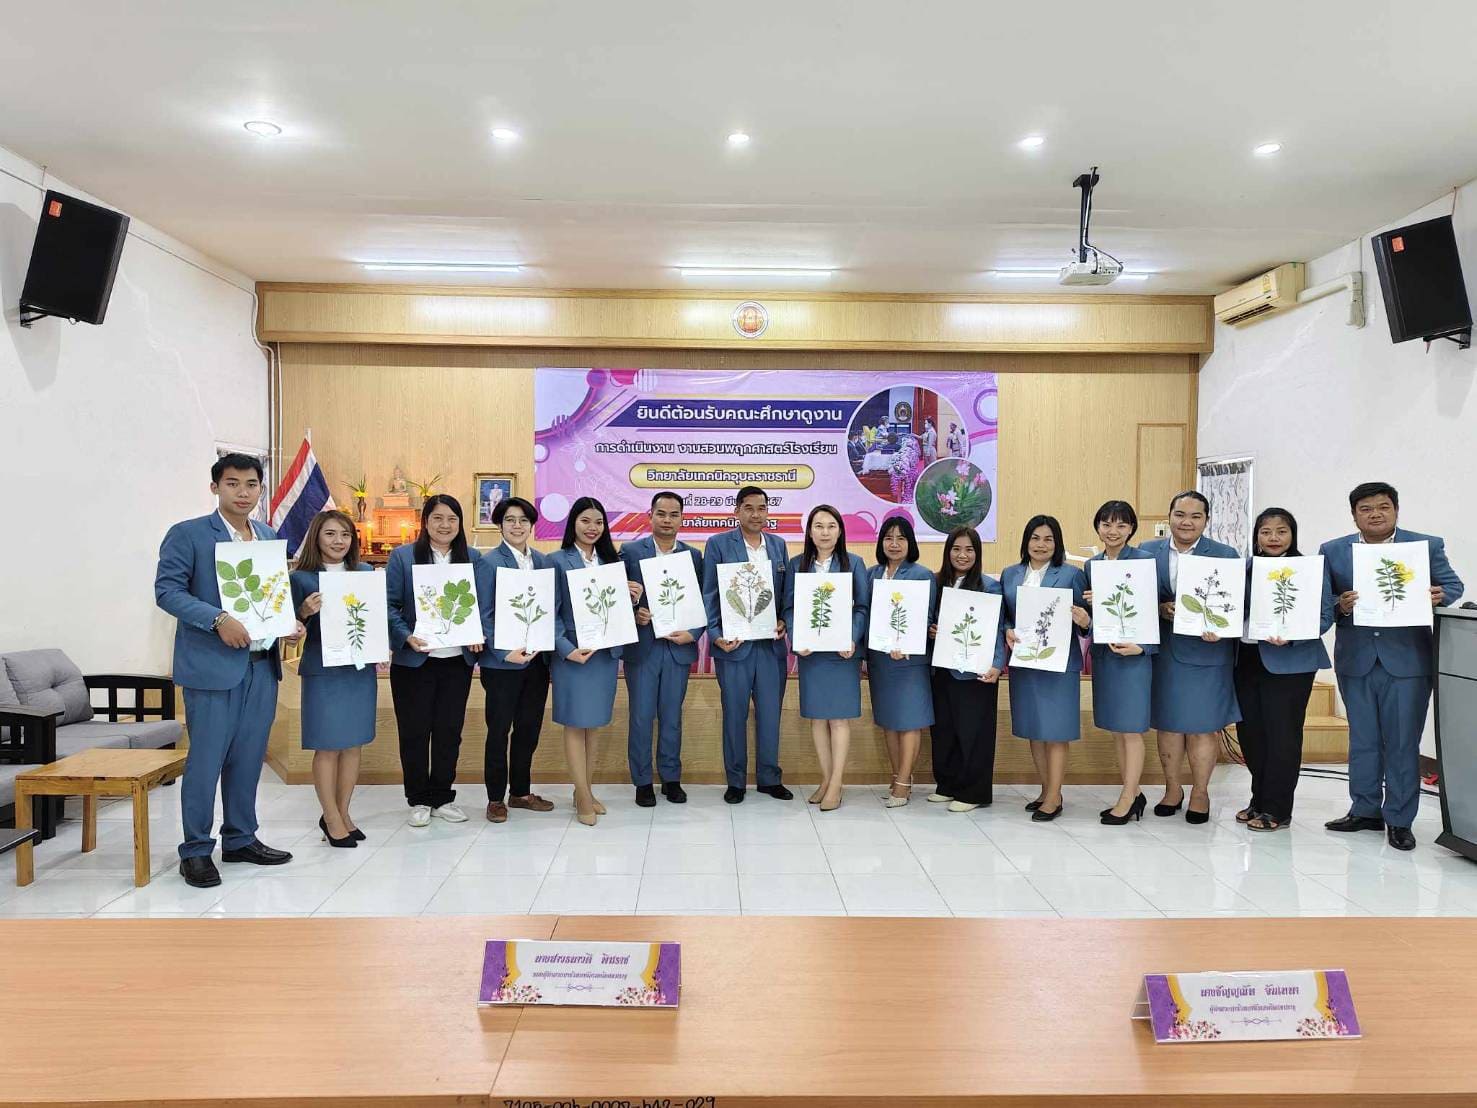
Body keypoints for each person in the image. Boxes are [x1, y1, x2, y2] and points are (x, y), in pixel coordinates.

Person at [154, 453, 305, 887]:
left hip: (262, 667)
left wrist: (288, 624)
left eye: (251, 484)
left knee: (248, 759)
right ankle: (196, 850)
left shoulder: (268, 535)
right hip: (212, 669)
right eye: (233, 483)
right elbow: (167, 592)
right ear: (215, 487)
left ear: (261, 489)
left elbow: (273, 596)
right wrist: (218, 619)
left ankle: (240, 838)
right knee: (205, 762)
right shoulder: (188, 534)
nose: (243, 492)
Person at [1320, 481, 1464, 851]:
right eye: (1366, 509)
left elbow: (1453, 586)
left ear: (1396, 510)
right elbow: (1322, 602)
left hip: (1408, 661)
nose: (1375, 515)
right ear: (1354, 515)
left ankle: (1400, 819)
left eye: (1383, 507)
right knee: (1363, 739)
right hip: (1357, 660)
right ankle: (1365, 810)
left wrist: (1441, 594)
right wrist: (1340, 604)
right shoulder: (1333, 550)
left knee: (1402, 741)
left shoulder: (1424, 546)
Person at [1140, 490, 1241, 825]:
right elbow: (1139, 596)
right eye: (1180, 515)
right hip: (1164, 652)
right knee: (1168, 724)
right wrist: (1158, 608)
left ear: (1206, 520)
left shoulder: (1225, 555)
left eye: (1196, 516)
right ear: (1169, 516)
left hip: (1207, 653)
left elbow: (1235, 604)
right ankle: (1172, 789)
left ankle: (1200, 792)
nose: (1187, 522)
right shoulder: (1146, 551)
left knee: (1202, 727)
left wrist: (1222, 626)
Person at [1233, 507, 1335, 833]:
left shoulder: (1309, 570)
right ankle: (1259, 799)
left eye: (1281, 531)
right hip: (1247, 659)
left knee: (1282, 736)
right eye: (1266, 532)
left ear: (1293, 535)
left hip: (1290, 662)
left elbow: (1325, 615)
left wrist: (1292, 635)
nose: (1273, 538)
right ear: (1256, 537)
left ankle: (1277, 809)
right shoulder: (1244, 569)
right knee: (1251, 735)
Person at [386, 494, 484, 828]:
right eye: (438, 518)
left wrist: (477, 632)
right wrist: (406, 636)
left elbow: (483, 604)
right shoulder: (402, 557)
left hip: (456, 661)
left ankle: (442, 796)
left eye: (452, 519)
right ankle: (418, 798)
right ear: (425, 522)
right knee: (414, 732)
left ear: (460, 523)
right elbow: (390, 605)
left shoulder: (473, 558)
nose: (445, 525)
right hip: (415, 661)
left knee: (449, 731)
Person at [551, 496, 642, 826]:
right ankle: (583, 796)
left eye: (599, 522)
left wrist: (633, 600)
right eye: (585, 521)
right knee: (576, 724)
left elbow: (617, 613)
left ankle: (584, 791)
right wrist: (566, 649)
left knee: (594, 725)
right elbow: (551, 613)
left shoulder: (611, 563)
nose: (592, 528)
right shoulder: (556, 561)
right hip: (574, 657)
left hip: (604, 657)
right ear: (573, 523)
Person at [290, 509, 377, 848]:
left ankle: (343, 812)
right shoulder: (301, 579)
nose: (338, 541)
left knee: (353, 744)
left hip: (358, 670)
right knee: (327, 745)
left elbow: (375, 618)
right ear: (316, 538)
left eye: (345, 534)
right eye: (330, 534)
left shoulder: (365, 573)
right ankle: (330, 816)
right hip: (323, 670)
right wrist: (303, 613)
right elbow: (287, 633)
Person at [701, 485, 793, 804]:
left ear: (768, 511)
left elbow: (786, 595)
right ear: (737, 511)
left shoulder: (778, 545)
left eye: (762, 508)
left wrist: (784, 621)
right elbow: (710, 594)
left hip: (769, 648)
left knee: (770, 715)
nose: (756, 514)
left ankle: (769, 778)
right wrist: (716, 635)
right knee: (734, 715)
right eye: (749, 508)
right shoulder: (718, 544)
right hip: (734, 647)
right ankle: (736, 781)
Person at [473, 496, 556, 824]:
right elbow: (483, 614)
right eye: (510, 520)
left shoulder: (543, 562)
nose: (517, 525)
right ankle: (495, 798)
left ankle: (520, 792)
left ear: (532, 525)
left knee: (528, 729)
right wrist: (502, 650)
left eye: (523, 520)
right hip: (502, 664)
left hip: (536, 662)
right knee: (499, 731)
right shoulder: (489, 562)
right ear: (500, 525)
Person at [1001, 515, 1090, 822]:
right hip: (1025, 663)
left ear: (1057, 543)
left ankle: (1054, 796)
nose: (1041, 545)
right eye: (1035, 538)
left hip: (1058, 665)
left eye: (1048, 539)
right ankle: (1045, 789)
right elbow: (1005, 615)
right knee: (1034, 729)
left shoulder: (1071, 574)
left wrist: (1085, 621)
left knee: (1056, 730)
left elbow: (1086, 617)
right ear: (1026, 541)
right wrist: (1007, 629)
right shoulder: (1010, 574)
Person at [620, 491, 704, 806]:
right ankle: (642, 781)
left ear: (682, 518)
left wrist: (693, 633)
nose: (667, 520)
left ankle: (671, 778)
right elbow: (615, 598)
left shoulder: (694, 556)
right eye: (661, 514)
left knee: (672, 716)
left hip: (677, 648)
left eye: (674, 514)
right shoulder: (630, 552)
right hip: (643, 648)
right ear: (650, 516)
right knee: (641, 717)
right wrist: (634, 612)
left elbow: (705, 601)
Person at [783, 505, 868, 811]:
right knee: (817, 718)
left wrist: (852, 638)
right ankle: (826, 778)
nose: (825, 532)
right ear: (809, 532)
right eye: (818, 526)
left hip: (842, 654)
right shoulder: (797, 565)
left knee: (839, 719)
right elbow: (789, 608)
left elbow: (862, 607)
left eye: (831, 526)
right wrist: (798, 638)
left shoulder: (853, 563)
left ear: (840, 531)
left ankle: (836, 784)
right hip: (812, 655)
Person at [1083, 500, 1155, 825]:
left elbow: (1154, 609)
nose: (1113, 531)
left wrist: (1142, 648)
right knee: (1116, 728)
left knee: (1131, 729)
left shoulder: (1144, 561)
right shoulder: (1092, 566)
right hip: (1106, 656)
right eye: (1107, 524)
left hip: (1134, 657)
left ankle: (1127, 798)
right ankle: (1133, 791)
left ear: (1131, 529)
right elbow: (1097, 615)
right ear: (1098, 527)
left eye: (1121, 525)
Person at [928, 527, 1006, 811]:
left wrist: (997, 664)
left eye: (969, 550)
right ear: (948, 552)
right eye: (956, 549)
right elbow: (928, 620)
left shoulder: (989, 586)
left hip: (976, 670)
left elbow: (998, 628)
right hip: (942, 669)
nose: (962, 555)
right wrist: (932, 630)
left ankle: (974, 792)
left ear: (977, 553)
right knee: (944, 730)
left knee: (974, 732)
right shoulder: (936, 583)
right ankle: (947, 785)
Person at [867, 516, 936, 807]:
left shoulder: (922, 575)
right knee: (889, 721)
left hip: (909, 661)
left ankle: (905, 782)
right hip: (880, 660)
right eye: (888, 538)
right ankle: (896, 777)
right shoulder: (871, 574)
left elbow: (927, 617)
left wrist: (906, 643)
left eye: (901, 538)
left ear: (911, 543)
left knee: (910, 721)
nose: (894, 544)